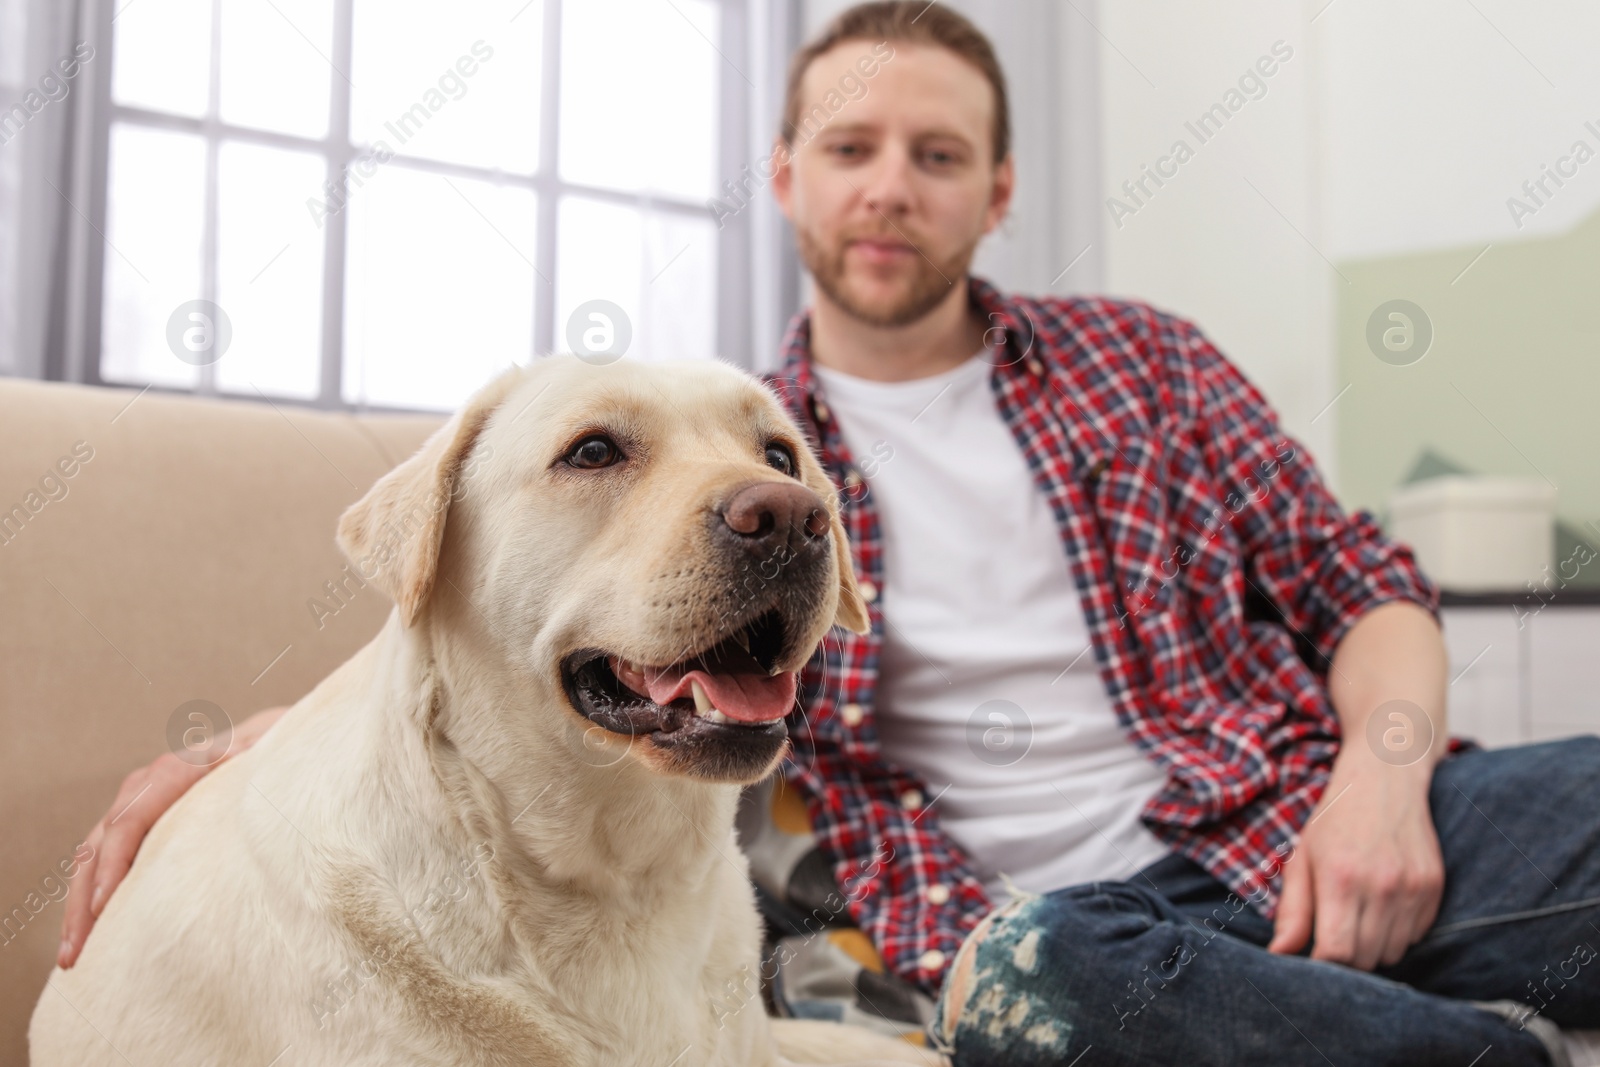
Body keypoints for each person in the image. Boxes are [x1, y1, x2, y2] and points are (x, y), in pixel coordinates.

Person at [60, 4, 1600, 1064]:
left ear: (995, 192)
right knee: (1036, 995)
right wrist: (236, 760)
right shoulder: (713, 464)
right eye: (852, 149)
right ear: (787, 177)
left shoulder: (1153, 363)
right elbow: (495, 659)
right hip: (1065, 937)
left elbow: (1366, 587)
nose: (891, 189)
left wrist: (1384, 783)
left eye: (938, 157)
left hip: (1310, 824)